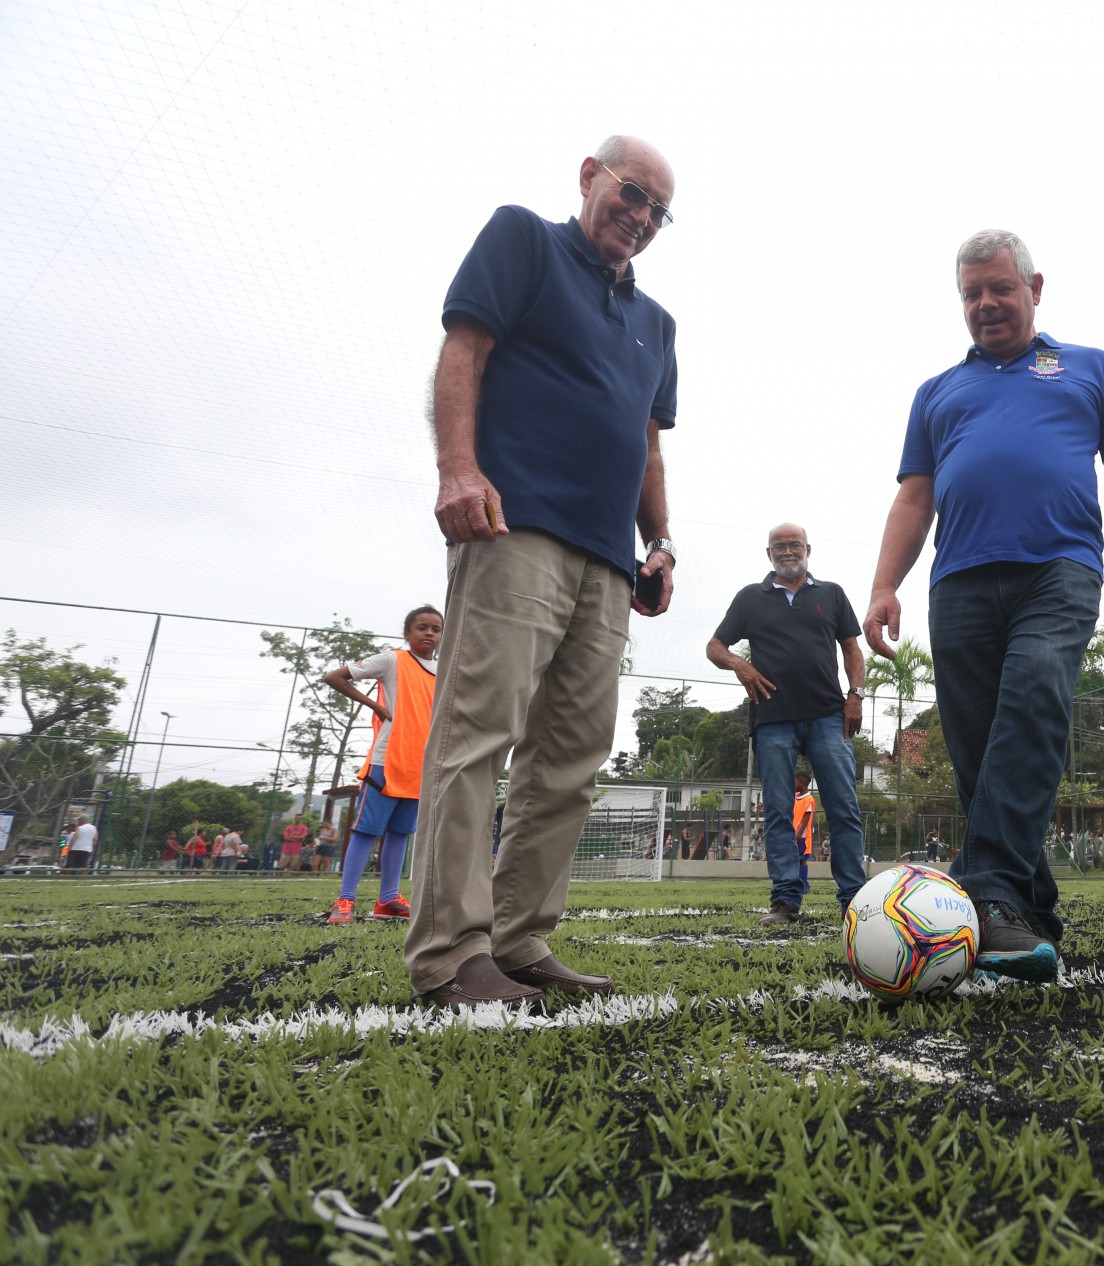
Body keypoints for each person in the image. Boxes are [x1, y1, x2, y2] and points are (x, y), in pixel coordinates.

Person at [864, 229, 1104, 983]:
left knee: (1037, 691)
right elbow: (914, 498)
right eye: (971, 294)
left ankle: (982, 891)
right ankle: (1027, 909)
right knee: (979, 751)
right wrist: (884, 586)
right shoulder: (937, 392)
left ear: (1034, 288)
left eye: (999, 289)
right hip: (959, 580)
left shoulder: (1089, 368)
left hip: (1060, 568)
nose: (985, 304)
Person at [408, 135, 680, 1008]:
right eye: (630, 193)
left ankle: (520, 941)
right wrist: (458, 467)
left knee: (570, 757)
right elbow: (465, 353)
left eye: (657, 210)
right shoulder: (522, 238)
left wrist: (660, 542)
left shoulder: (659, 326)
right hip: (513, 524)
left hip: (608, 561)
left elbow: (645, 444)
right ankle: (452, 952)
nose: (638, 216)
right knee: (479, 734)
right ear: (589, 178)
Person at [709, 523, 867, 923]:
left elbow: (852, 648)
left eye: (794, 544)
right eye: (779, 546)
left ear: (808, 548)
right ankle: (785, 900)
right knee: (777, 811)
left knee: (843, 807)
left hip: (829, 716)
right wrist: (740, 665)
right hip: (773, 718)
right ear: (769, 554)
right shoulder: (750, 597)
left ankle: (854, 900)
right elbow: (715, 646)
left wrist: (856, 695)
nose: (787, 551)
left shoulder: (831, 594)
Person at [323, 607, 443, 925]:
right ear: (407, 633)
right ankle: (345, 900)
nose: (429, 633)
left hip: (421, 767)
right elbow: (335, 677)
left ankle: (388, 899)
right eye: (422, 627)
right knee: (365, 832)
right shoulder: (392, 659)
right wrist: (375, 705)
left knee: (400, 833)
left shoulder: (445, 671)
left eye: (436, 628)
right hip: (386, 762)